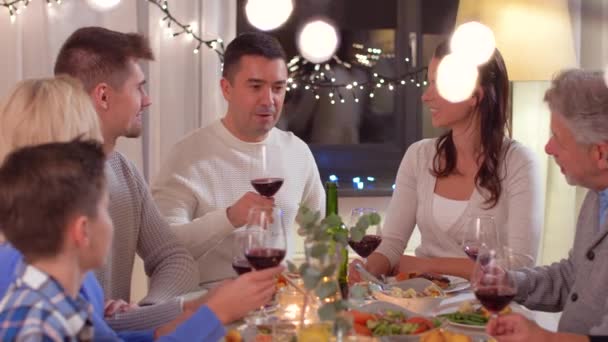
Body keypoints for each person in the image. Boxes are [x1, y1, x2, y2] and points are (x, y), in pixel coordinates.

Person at [0, 76, 282, 341]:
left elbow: (106, 334)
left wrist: (186, 314)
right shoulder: (31, 299)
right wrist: (212, 313)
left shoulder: (58, 269)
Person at [349, 40, 542, 283]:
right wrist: (367, 269)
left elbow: (519, 265)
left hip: (490, 313)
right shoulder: (419, 156)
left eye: (439, 85)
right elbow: (391, 246)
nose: (426, 97)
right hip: (421, 304)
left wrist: (426, 265)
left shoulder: (519, 163)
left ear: (474, 95)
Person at [53, 26, 199, 330]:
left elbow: (175, 258)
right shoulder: (50, 183)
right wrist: (213, 304)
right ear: (103, 96)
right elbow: (86, 326)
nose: (147, 101)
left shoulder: (123, 169)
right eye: (139, 88)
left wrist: (147, 308)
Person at [151, 32, 325, 285]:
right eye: (255, 87)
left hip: (276, 305)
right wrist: (230, 217)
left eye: (278, 88)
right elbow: (161, 246)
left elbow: (323, 232)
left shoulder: (296, 152)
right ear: (226, 89)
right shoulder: (187, 154)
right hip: (207, 308)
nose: (269, 100)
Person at [485, 69, 608, 341]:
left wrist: (544, 338)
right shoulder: (597, 196)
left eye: (558, 138)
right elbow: (572, 276)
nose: (548, 148)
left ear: (600, 153)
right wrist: (511, 283)